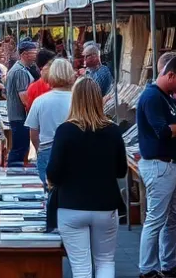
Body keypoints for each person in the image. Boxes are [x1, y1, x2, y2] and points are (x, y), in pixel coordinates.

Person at [46, 77, 126, 278]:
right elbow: (121, 171)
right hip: (105, 204)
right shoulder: (113, 130)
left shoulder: (65, 130)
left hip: (71, 204)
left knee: (80, 266)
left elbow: (53, 171)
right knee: (105, 260)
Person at [136, 56, 176, 278]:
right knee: (156, 218)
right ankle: (147, 268)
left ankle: (168, 263)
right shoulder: (152, 97)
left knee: (173, 216)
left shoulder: (169, 98)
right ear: (170, 74)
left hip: (174, 164)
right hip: (159, 165)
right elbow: (163, 131)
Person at [24, 57, 75, 186]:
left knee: (49, 191)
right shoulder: (78, 100)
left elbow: (33, 133)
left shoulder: (40, 101)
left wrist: (38, 149)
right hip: (74, 150)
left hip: (47, 149)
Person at [5, 40, 39, 165]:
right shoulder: (20, 71)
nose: (36, 56)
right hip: (20, 116)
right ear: (25, 54)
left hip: (17, 116)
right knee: (20, 148)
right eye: (33, 53)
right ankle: (13, 172)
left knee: (20, 147)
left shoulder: (20, 69)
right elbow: (24, 97)